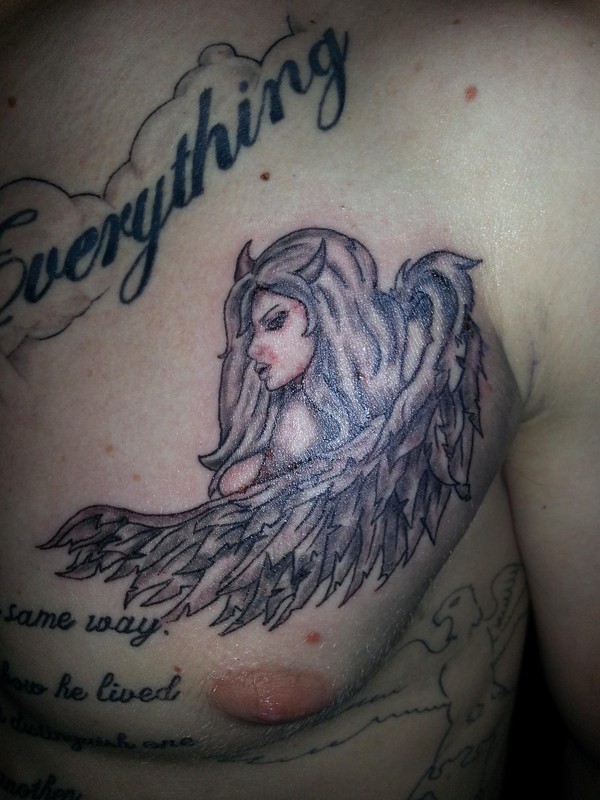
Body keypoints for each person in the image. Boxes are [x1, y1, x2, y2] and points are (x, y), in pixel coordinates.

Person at [0, 1, 598, 798]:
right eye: (252, 327)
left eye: (274, 322)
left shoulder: (530, 101)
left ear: (330, 314)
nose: (253, 348)